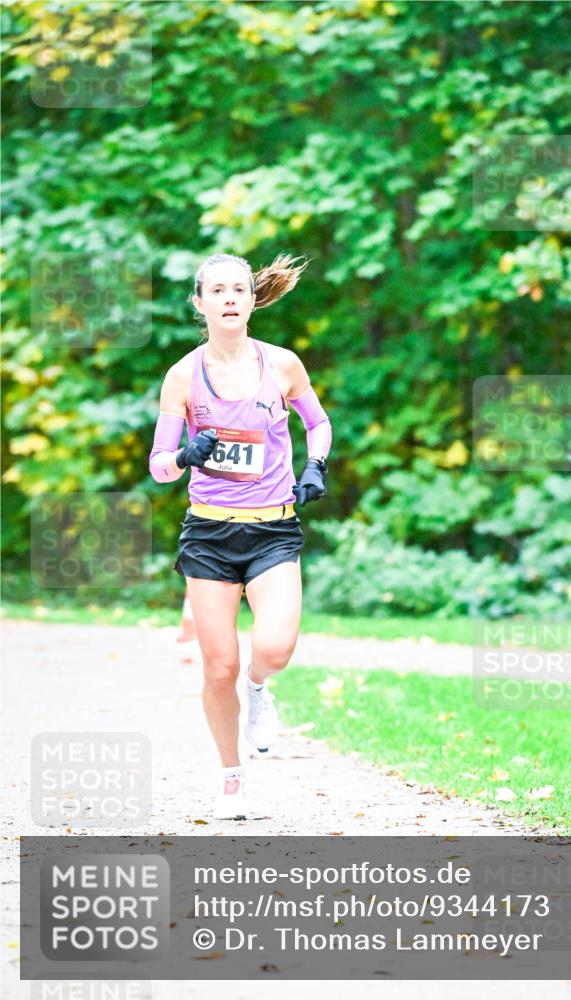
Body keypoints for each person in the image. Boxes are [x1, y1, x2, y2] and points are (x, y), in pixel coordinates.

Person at [148, 252, 331, 820]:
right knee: (218, 665)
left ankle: (260, 688)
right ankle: (232, 777)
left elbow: (318, 424)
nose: (229, 298)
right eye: (217, 290)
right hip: (208, 534)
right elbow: (158, 465)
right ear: (199, 304)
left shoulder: (282, 366)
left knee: (274, 649)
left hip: (274, 529)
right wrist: (186, 453)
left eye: (239, 289)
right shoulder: (183, 375)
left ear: (253, 300)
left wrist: (315, 466)